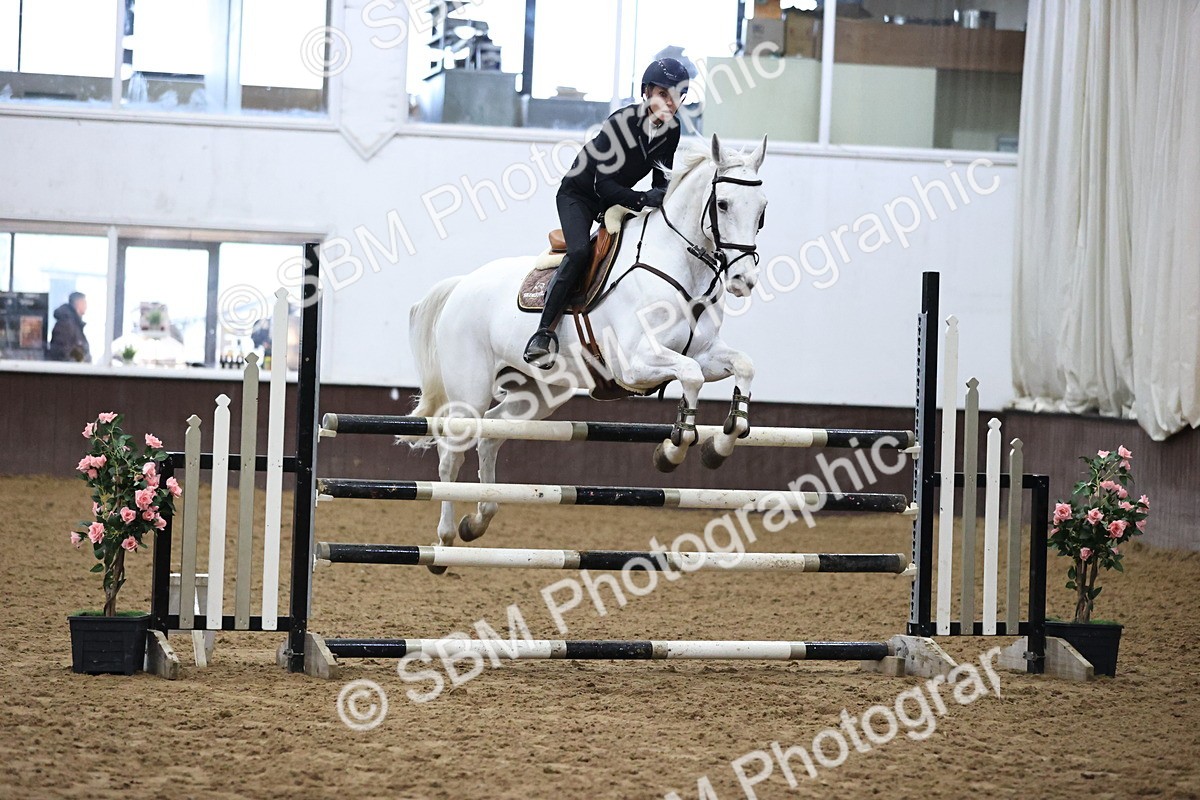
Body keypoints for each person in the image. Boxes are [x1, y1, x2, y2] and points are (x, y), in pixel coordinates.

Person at [523, 57, 690, 369]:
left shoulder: (672, 129)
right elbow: (604, 185)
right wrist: (642, 199)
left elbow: (661, 180)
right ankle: (543, 332)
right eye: (663, 94)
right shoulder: (621, 123)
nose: (669, 102)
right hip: (581, 195)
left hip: (617, 199)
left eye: (677, 95)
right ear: (646, 92)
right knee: (579, 252)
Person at [48, 291, 91, 363]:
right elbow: (64, 351)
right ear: (78, 303)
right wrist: (81, 361)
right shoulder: (65, 325)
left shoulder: (74, 325)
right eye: (84, 303)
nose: (86, 306)